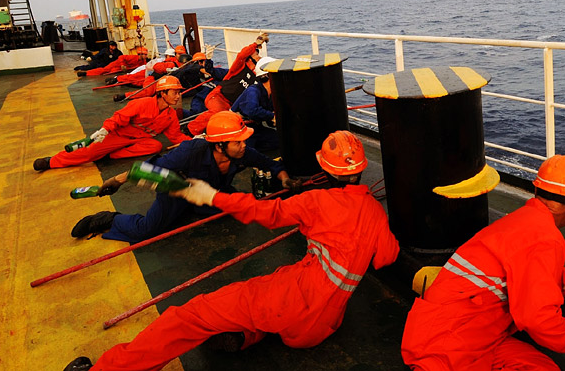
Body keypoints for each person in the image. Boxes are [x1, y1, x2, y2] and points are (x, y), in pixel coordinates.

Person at [63, 131, 399, 371]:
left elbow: (262, 211)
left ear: (324, 168)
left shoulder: (315, 202)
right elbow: (387, 256)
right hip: (323, 325)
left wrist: (209, 195)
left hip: (293, 303)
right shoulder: (375, 213)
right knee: (272, 286)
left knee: (188, 317)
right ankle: (244, 335)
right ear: (360, 170)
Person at [400, 154, 565, 370]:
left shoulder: (520, 220)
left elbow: (538, 284)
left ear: (536, 191)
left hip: (458, 330)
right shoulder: (547, 238)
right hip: (449, 345)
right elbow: (538, 317)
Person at [70, 111, 294, 242]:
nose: (244, 145)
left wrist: (284, 178)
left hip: (208, 192)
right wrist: (117, 180)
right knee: (148, 230)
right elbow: (150, 168)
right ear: (219, 145)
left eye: (243, 140)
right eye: (238, 142)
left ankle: (196, 208)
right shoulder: (190, 151)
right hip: (176, 190)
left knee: (234, 209)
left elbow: (270, 164)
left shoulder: (242, 153)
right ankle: (109, 219)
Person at [32, 76, 191, 171]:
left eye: (179, 92)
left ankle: (111, 154)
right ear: (162, 93)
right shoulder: (142, 104)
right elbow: (119, 117)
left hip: (139, 140)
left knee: (155, 146)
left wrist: (195, 140)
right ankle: (52, 161)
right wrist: (105, 130)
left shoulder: (170, 115)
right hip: (119, 135)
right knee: (90, 153)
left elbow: (176, 136)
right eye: (175, 92)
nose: (178, 96)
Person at [187, 33, 269, 134]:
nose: (259, 57)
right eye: (257, 55)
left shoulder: (259, 77)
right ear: (249, 59)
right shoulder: (238, 68)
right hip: (218, 97)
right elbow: (242, 55)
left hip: (232, 106)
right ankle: (191, 130)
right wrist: (255, 44)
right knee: (218, 113)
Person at [230, 56, 279, 151]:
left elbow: (269, 120)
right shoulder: (253, 91)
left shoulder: (270, 94)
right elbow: (252, 110)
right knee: (245, 151)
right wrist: (272, 116)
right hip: (239, 129)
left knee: (279, 140)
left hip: (255, 128)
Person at [79, 46, 148, 78]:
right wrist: (122, 65)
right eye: (145, 55)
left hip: (118, 69)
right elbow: (121, 57)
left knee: (107, 73)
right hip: (116, 64)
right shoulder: (132, 57)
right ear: (140, 54)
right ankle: (86, 73)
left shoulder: (143, 62)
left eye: (146, 55)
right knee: (104, 70)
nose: (146, 56)